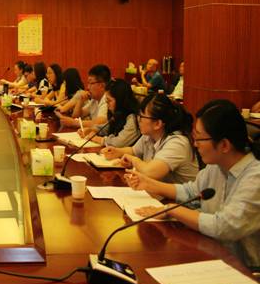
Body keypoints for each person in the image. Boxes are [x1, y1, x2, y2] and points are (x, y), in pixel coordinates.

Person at [125, 100, 260, 268]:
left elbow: (224, 226)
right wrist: (149, 184)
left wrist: (172, 210)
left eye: (199, 138)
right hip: (210, 253)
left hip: (245, 270)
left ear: (224, 145)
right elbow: (192, 192)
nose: (195, 144)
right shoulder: (216, 166)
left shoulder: (255, 177)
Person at [101, 93, 199, 183]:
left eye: (141, 117)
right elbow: (134, 151)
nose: (138, 120)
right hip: (155, 193)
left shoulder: (178, 142)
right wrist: (117, 151)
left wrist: (133, 160)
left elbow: (151, 172)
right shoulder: (150, 135)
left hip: (175, 197)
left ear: (157, 124)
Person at [81, 79, 141, 148]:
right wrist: (93, 129)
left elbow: (119, 142)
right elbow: (108, 127)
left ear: (120, 100)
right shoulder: (118, 113)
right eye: (106, 100)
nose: (107, 103)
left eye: (109, 100)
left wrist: (98, 139)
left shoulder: (133, 118)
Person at [57, 64, 110, 129]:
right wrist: (81, 100)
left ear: (102, 85)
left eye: (91, 83)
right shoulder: (94, 99)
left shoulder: (107, 99)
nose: (88, 87)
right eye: (88, 83)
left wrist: (74, 123)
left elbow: (100, 122)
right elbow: (76, 116)